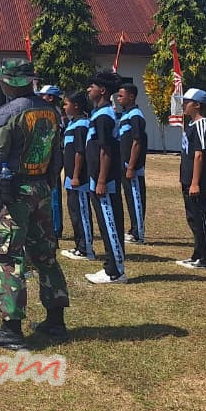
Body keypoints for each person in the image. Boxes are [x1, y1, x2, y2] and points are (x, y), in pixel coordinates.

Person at [0, 59, 69, 350]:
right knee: (45, 254)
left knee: (7, 257)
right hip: (41, 189)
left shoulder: (7, 114)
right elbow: (56, 154)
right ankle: (56, 319)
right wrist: (48, 183)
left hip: (14, 194)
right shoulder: (51, 111)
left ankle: (11, 328)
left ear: (10, 82)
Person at [84, 71, 127, 284]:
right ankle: (110, 266)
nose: (87, 90)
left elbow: (106, 151)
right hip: (96, 179)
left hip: (105, 181)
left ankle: (116, 271)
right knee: (105, 223)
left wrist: (101, 180)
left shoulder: (104, 116)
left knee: (110, 223)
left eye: (91, 86)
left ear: (101, 90)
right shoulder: (99, 113)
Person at [177, 88, 206, 270]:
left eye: (187, 102)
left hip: (197, 182)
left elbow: (199, 155)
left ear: (198, 105)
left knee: (201, 218)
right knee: (192, 218)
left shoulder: (202, 125)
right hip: (187, 179)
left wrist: (195, 182)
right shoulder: (190, 124)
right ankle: (197, 255)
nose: (184, 105)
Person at [59, 91, 96, 262]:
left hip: (78, 178)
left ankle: (87, 249)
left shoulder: (82, 125)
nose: (64, 107)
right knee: (74, 213)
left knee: (82, 213)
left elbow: (80, 152)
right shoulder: (72, 124)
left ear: (76, 106)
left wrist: (75, 176)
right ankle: (79, 246)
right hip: (69, 177)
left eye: (66, 104)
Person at [116, 83, 148, 244]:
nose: (118, 98)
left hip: (132, 166)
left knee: (135, 198)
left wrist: (131, 166)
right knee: (129, 197)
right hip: (123, 164)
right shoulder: (125, 114)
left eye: (121, 95)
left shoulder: (135, 115)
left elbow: (137, 141)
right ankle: (133, 229)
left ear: (131, 96)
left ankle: (138, 233)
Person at [36, 84, 64, 238]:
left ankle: (55, 228)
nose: (40, 98)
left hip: (53, 156)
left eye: (43, 96)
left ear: (51, 98)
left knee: (53, 191)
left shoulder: (53, 113)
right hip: (51, 154)